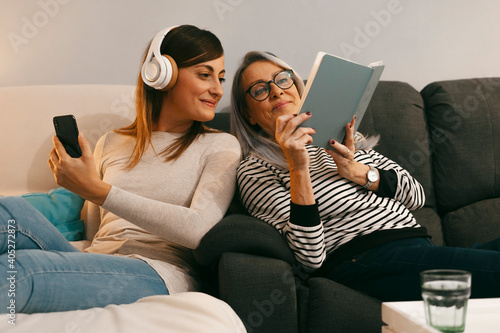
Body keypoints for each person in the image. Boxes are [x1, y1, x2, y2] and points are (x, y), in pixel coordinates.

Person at [0, 25, 241, 313]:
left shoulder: (220, 146)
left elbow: (198, 230)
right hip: (96, 261)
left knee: (23, 269)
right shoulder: (111, 141)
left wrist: (98, 190)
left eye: (220, 78)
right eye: (205, 74)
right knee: (10, 212)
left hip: (157, 271)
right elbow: (94, 232)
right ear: (162, 73)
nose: (217, 89)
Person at [229, 51, 500, 302]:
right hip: (365, 259)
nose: (277, 91)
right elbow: (310, 256)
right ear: (248, 115)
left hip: (417, 246)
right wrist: (298, 167)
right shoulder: (255, 170)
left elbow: (416, 196)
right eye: (260, 90)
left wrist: (356, 171)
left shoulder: (340, 137)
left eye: (282, 79)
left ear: (299, 90)